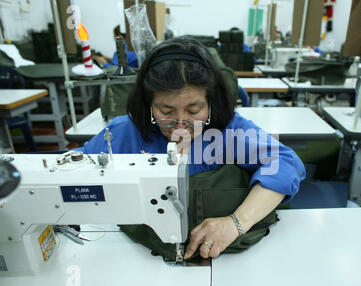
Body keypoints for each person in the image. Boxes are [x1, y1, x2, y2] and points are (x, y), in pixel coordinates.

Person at [75, 36, 305, 260]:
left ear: (212, 102)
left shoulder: (228, 131)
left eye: (194, 111)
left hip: (228, 262)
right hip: (139, 257)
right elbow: (72, 172)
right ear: (148, 104)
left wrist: (237, 222)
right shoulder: (124, 133)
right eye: (166, 111)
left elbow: (285, 162)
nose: (181, 123)